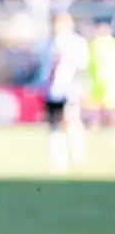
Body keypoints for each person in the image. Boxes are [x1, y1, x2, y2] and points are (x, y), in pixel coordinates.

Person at [36, 13, 89, 173]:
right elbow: (45, 69)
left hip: (69, 90)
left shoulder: (77, 43)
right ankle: (58, 161)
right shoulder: (49, 43)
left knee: (70, 122)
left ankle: (77, 156)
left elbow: (81, 68)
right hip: (52, 91)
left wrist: (79, 89)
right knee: (53, 125)